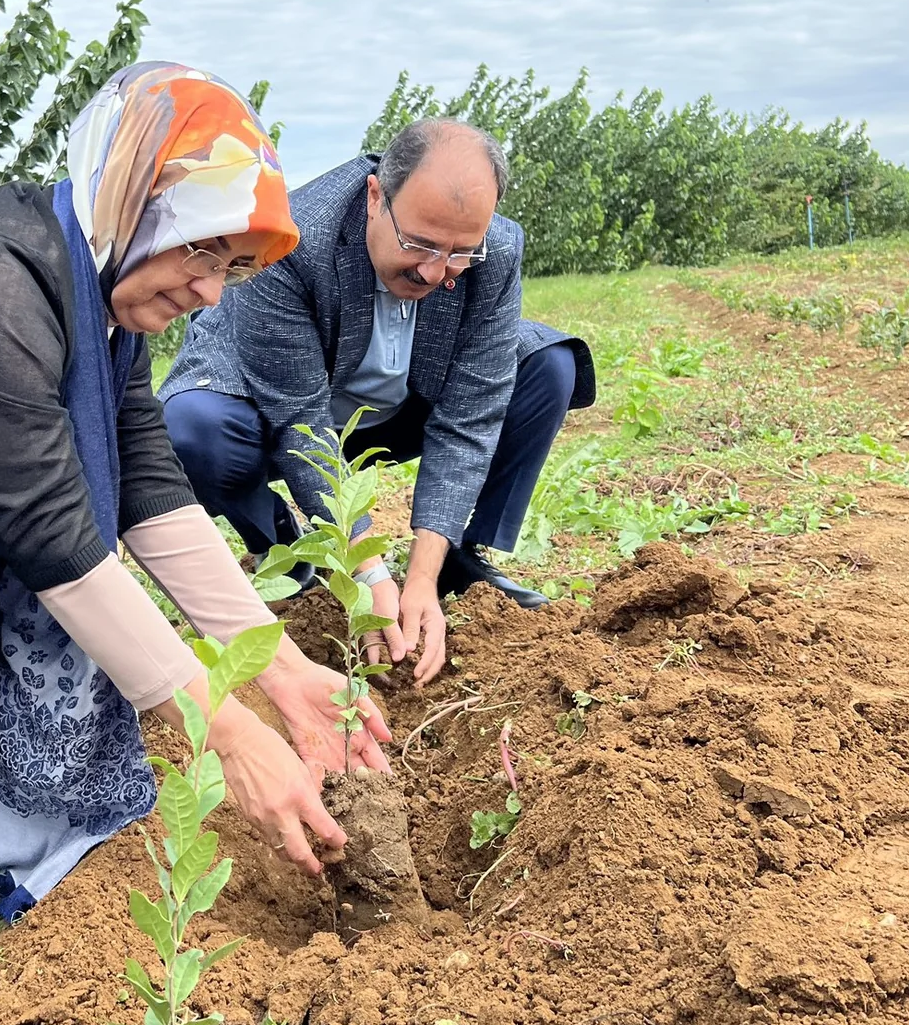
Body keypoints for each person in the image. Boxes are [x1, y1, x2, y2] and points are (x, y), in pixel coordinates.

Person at [0, 62, 390, 1002]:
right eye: (202, 252)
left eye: (230, 268)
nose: (212, 293)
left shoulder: (94, 296)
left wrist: (279, 667)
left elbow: (145, 478)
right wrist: (223, 729)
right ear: (132, 198)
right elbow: (53, 535)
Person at [160, 118, 594, 685]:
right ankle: (287, 547)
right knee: (196, 428)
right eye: (419, 244)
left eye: (459, 253)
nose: (437, 272)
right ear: (374, 198)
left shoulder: (496, 251)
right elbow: (300, 421)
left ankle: (458, 560)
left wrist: (418, 572)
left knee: (546, 365)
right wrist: (366, 575)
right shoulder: (291, 240)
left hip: (400, 406)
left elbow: (470, 416)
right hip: (273, 407)